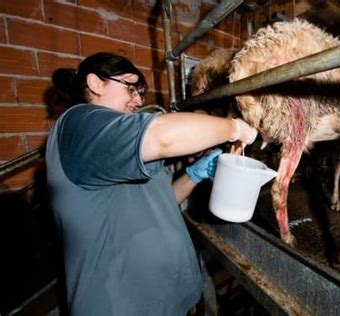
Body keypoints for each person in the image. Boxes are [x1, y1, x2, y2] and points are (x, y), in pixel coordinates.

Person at [45, 52, 257, 315]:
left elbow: (159, 202)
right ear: (95, 84)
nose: (138, 100)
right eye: (130, 88)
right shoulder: (79, 124)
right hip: (123, 306)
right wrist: (235, 128)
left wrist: (194, 175)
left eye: (141, 92)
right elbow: (163, 137)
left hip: (166, 297)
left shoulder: (116, 144)